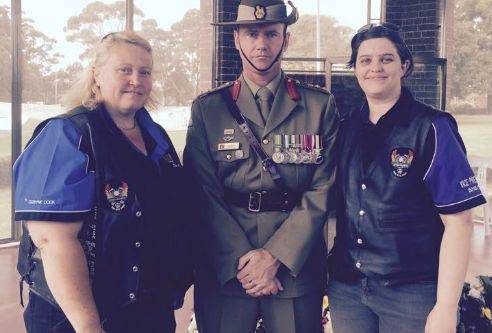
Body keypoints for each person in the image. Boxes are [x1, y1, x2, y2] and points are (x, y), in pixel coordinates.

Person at [14, 31, 195, 333]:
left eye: (145, 72)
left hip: (147, 311)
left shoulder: (157, 137)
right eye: (124, 70)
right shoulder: (67, 135)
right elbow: (52, 240)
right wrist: (89, 326)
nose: (136, 80)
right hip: (78, 318)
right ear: (97, 74)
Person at [183, 1, 339, 332]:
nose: (261, 44)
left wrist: (276, 257)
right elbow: (201, 191)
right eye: (251, 33)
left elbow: (324, 186)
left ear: (286, 39)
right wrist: (244, 260)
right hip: (227, 269)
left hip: (294, 268)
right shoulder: (208, 110)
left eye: (271, 33)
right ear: (236, 39)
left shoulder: (318, 106)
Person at [326, 23, 486, 333]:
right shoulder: (345, 130)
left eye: (386, 59)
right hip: (348, 291)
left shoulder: (432, 127)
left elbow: (460, 222)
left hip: (411, 293)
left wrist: (446, 306)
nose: (375, 68)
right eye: (365, 60)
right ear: (355, 69)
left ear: (404, 66)